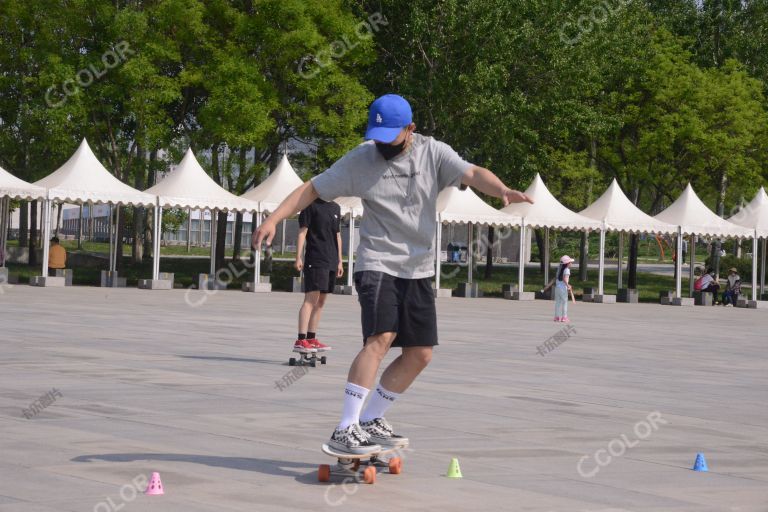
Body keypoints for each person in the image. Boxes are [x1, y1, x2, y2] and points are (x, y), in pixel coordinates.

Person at [253, 94, 533, 455]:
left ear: (410, 129)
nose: (381, 145)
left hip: (417, 269)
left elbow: (472, 172)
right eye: (377, 137)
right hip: (377, 263)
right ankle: (345, 427)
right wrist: (274, 219)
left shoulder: (434, 153)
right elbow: (311, 188)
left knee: (420, 353)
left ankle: (371, 418)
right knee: (381, 337)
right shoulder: (361, 158)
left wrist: (503, 190)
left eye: (390, 138)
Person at [293, 198, 343, 353]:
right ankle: (301, 340)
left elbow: (338, 235)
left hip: (331, 260)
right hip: (315, 258)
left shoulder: (335, 207)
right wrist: (298, 256)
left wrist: (340, 261)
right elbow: (303, 232)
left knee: (321, 302)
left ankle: (311, 338)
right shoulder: (310, 205)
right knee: (310, 300)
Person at [554, 255, 573, 322]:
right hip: (563, 289)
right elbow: (564, 279)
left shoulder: (559, 269)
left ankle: (556, 317)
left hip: (557, 288)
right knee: (565, 302)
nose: (571, 263)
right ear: (567, 263)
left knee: (558, 303)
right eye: (570, 262)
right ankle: (564, 317)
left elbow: (557, 278)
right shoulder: (567, 270)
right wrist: (568, 285)